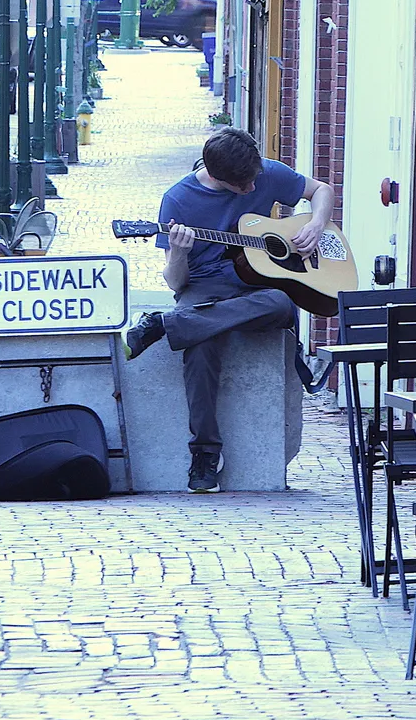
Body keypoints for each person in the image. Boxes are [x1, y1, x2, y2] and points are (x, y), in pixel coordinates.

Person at [124, 128, 335, 493]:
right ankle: (205, 453)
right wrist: (178, 252)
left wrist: (316, 224)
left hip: (257, 290)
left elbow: (321, 191)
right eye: (244, 186)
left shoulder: (263, 172)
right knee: (200, 346)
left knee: (282, 302)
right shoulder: (177, 200)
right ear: (218, 176)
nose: (253, 189)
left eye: (255, 180)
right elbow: (176, 284)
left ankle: (166, 325)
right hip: (203, 287)